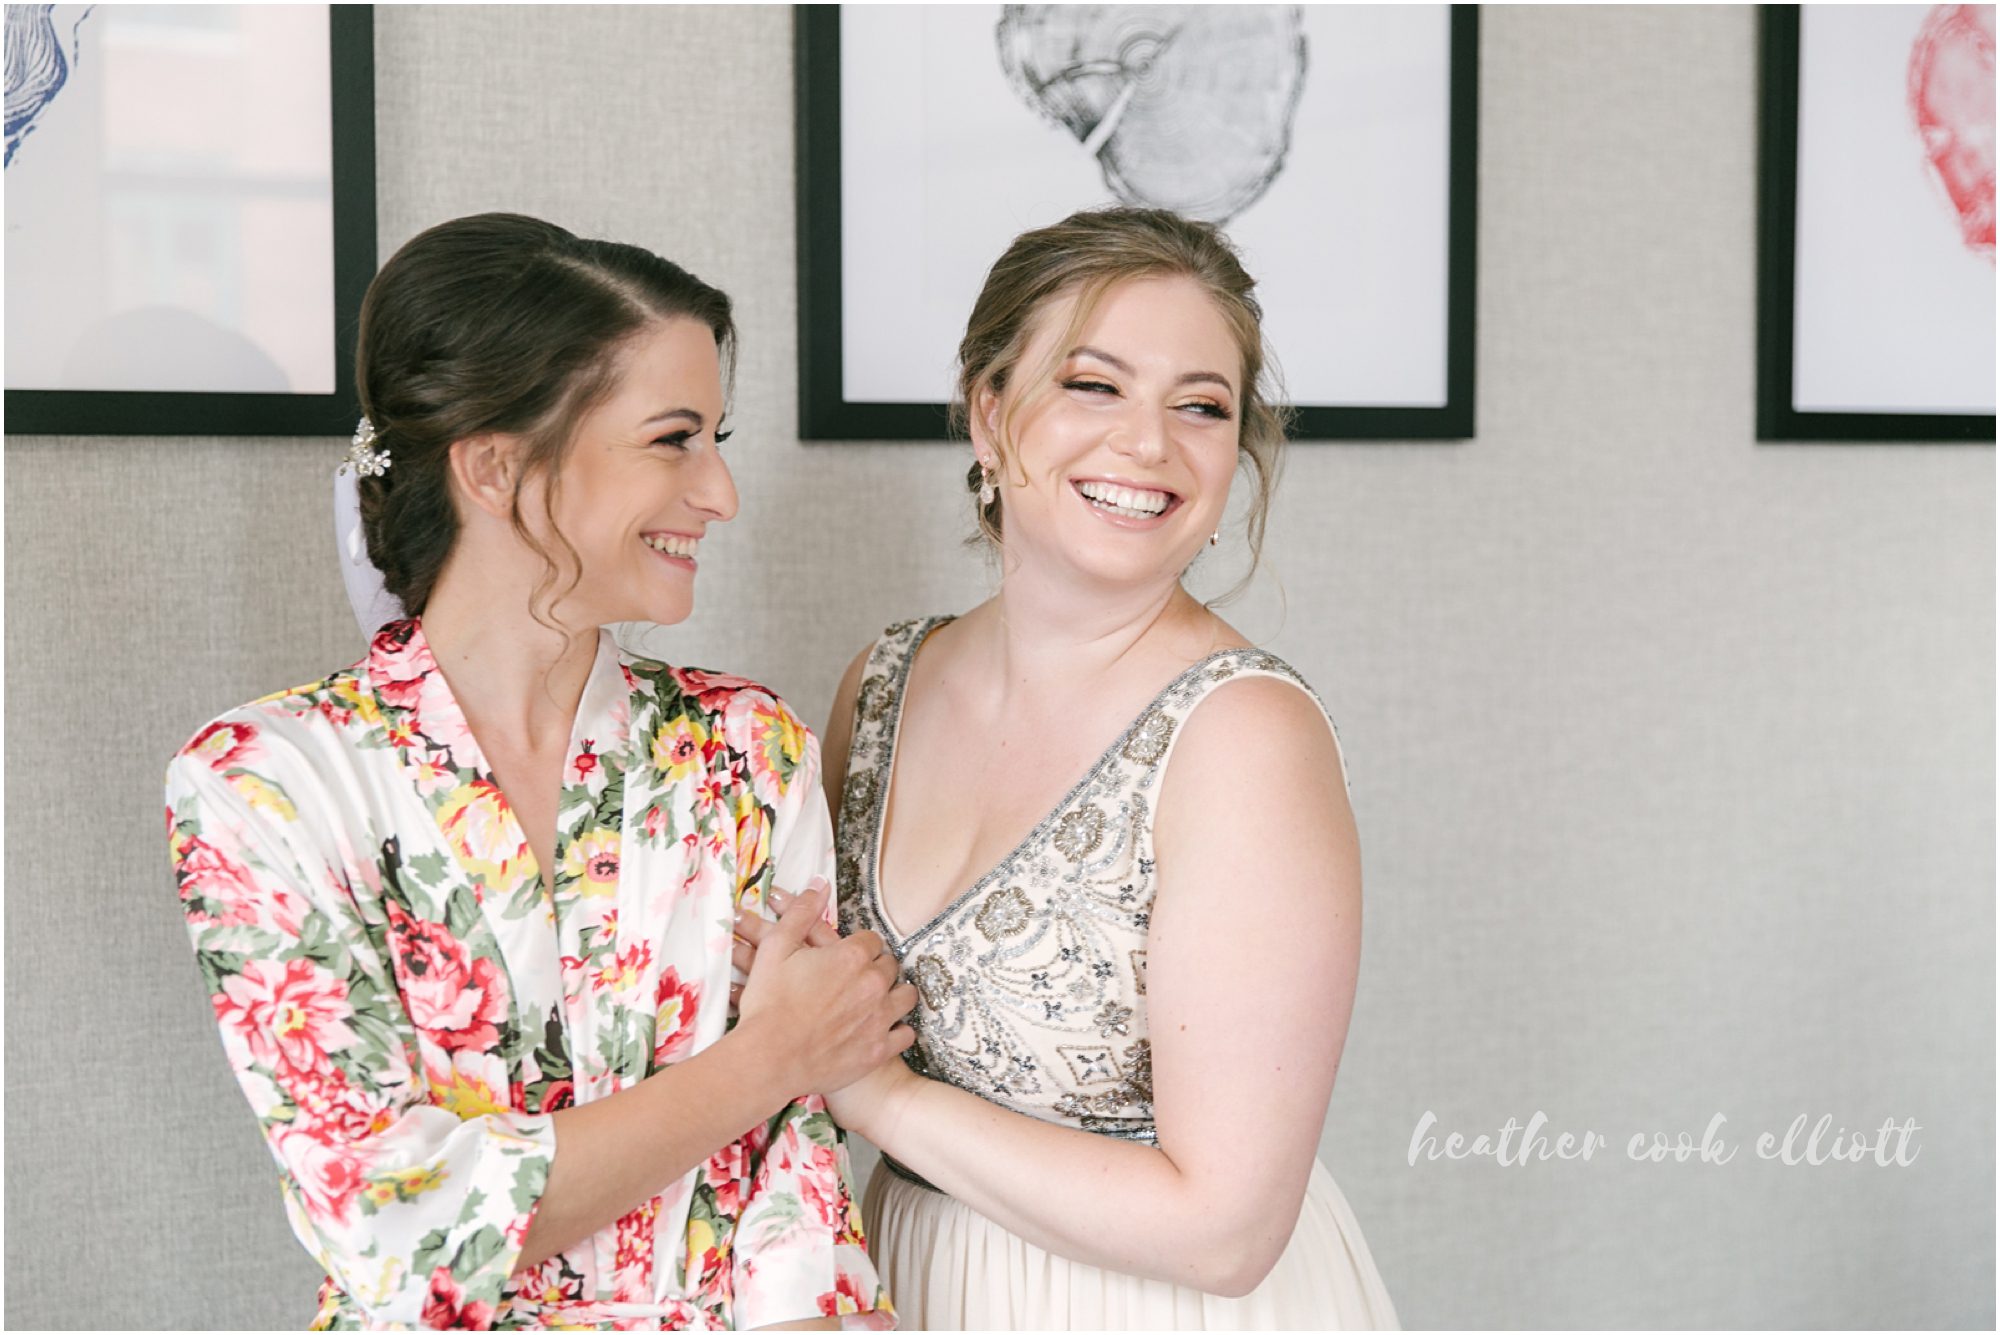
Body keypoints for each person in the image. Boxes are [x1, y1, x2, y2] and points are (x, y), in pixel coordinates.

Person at [164, 213, 915, 1331]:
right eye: (673, 440)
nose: (721, 492)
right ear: (496, 466)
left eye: (715, 438)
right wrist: (769, 1057)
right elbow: (398, 1229)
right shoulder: (266, 782)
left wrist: (784, 1074)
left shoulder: (747, 748)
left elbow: (792, 1187)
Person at [750, 206, 1400, 1329]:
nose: (1148, 444)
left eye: (1201, 406)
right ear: (989, 413)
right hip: (908, 1279)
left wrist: (878, 1098)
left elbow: (1228, 1231)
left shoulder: (1244, 735)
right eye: (1094, 386)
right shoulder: (884, 681)